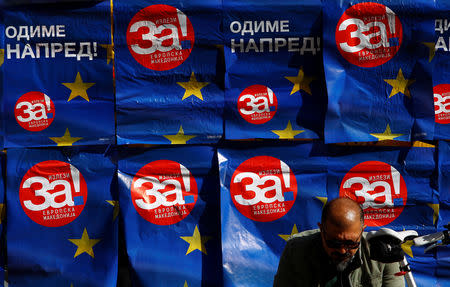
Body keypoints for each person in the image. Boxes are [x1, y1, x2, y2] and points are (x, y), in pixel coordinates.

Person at [273, 197, 405, 287]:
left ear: (362, 231)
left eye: (351, 243)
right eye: (334, 243)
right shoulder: (296, 250)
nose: (342, 250)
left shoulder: (382, 253)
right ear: (321, 229)